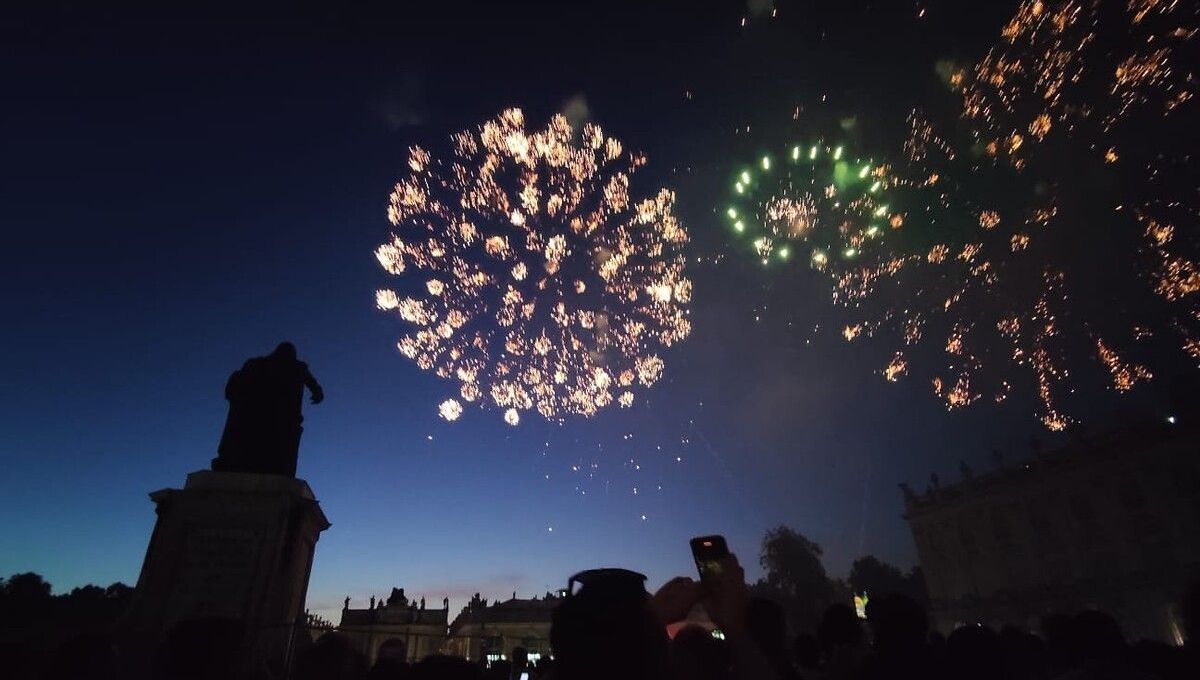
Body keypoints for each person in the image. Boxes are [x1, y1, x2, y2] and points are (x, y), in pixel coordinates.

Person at [213, 342, 323, 477]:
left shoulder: (263, 365)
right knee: (264, 443)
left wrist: (317, 392)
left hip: (275, 416)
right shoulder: (270, 365)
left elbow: (312, 384)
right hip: (263, 414)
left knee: (271, 444)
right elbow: (313, 385)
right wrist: (317, 392)